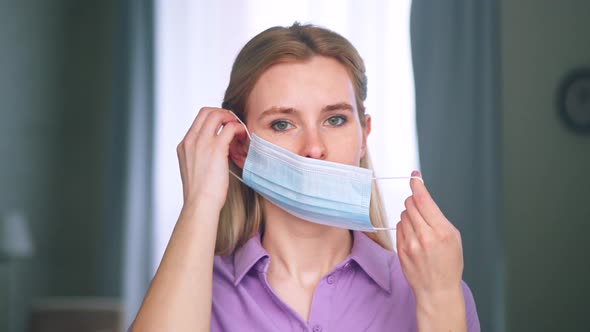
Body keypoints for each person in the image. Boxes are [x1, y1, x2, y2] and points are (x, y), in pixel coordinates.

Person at [131, 23, 479, 331]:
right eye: (282, 124)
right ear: (240, 149)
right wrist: (200, 203)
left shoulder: (434, 288)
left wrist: (440, 302)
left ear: (364, 136)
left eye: (335, 120)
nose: (314, 148)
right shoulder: (194, 292)